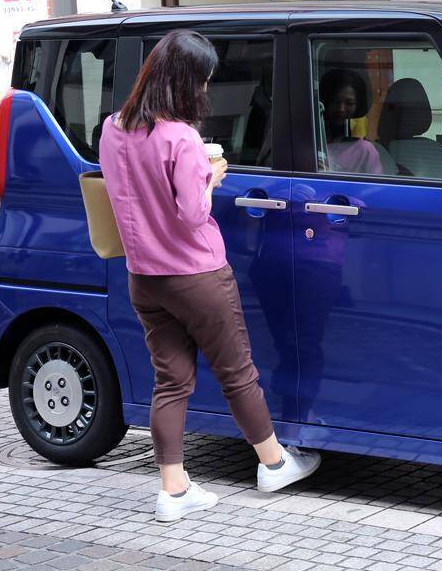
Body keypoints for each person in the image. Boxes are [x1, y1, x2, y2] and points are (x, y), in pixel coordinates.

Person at [98, 29, 320, 523]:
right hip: (197, 274)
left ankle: (173, 490)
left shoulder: (113, 128)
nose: (206, 87)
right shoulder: (182, 138)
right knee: (236, 372)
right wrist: (211, 176)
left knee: (171, 381)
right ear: (186, 80)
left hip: (145, 277)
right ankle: (273, 462)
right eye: (204, 79)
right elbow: (193, 214)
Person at [319, 68, 383, 174]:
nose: (341, 109)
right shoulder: (314, 145)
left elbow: (377, 188)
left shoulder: (365, 151)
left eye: (349, 103)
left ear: (358, 105)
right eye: (335, 101)